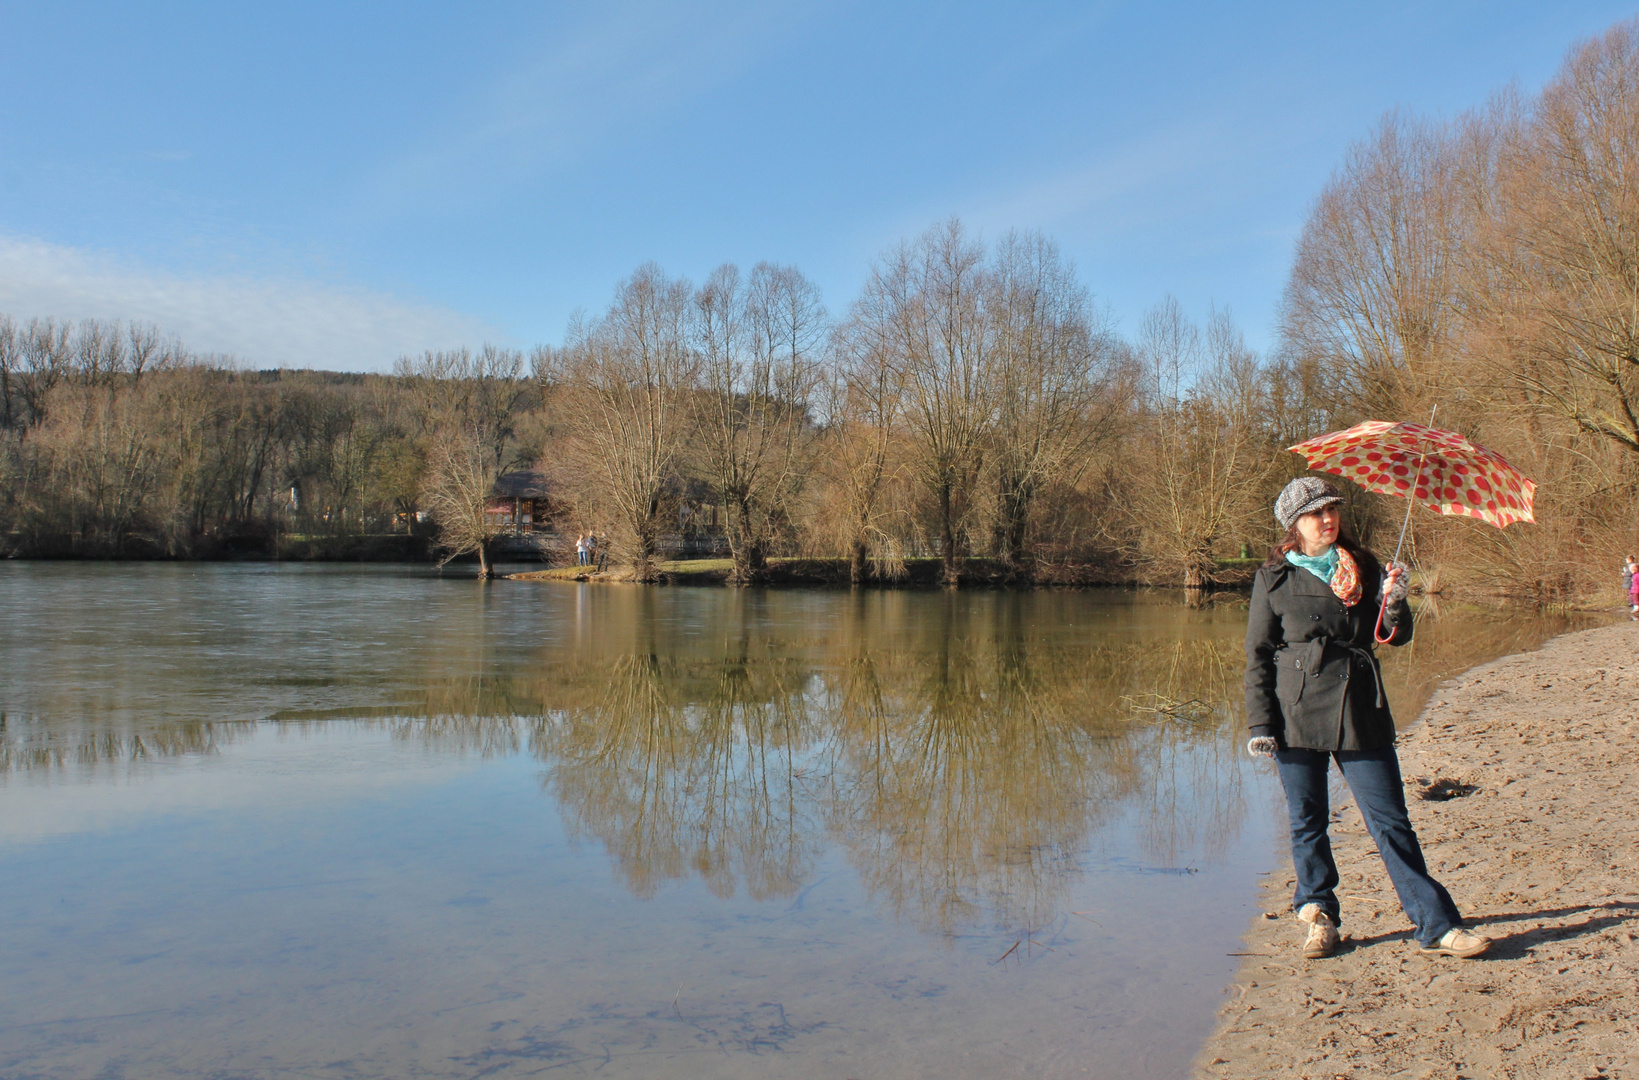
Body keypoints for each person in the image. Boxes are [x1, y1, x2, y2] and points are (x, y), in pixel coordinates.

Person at [1246, 476, 1490, 961]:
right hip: (1295, 712)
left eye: (1333, 509)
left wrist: (1396, 602)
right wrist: (1260, 726)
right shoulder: (1273, 578)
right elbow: (1257, 655)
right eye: (1317, 513)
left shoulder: (1368, 566)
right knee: (1307, 821)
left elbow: (1392, 637)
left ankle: (1437, 925)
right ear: (1295, 525)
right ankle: (1321, 919)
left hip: (1360, 705)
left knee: (1391, 821)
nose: (1329, 518)